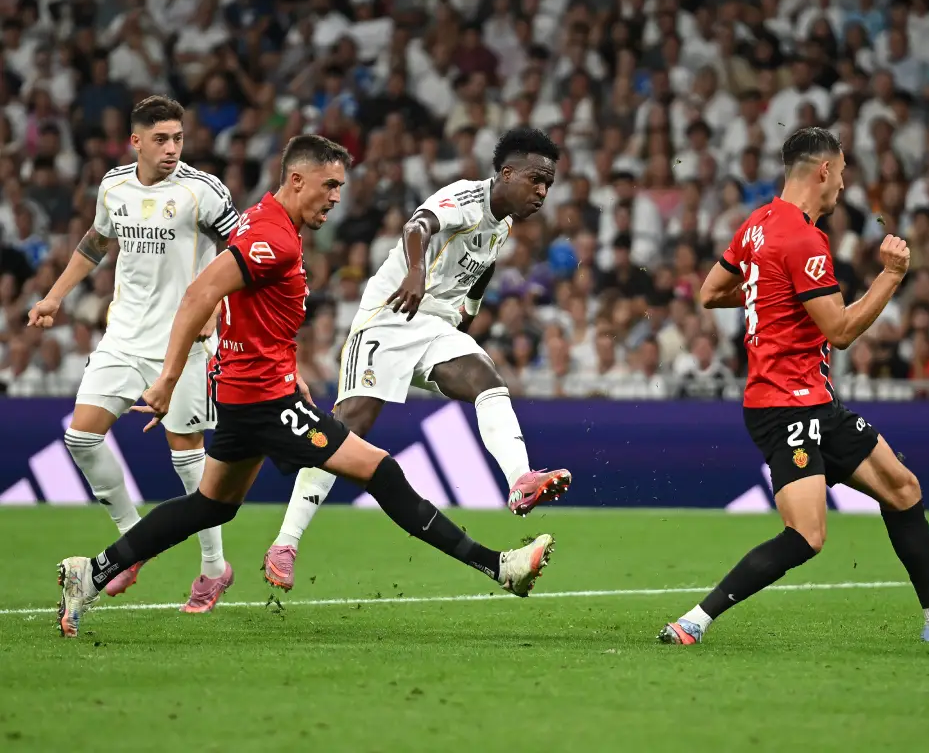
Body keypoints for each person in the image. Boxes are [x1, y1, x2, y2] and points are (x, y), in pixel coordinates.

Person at [55, 135, 555, 639]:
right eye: (329, 185)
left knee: (211, 505)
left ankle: (90, 572)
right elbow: (199, 293)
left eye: (341, 186)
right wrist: (167, 378)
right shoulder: (272, 238)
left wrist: (286, 369)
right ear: (297, 179)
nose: (336, 197)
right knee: (381, 470)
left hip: (248, 389)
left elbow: (251, 313)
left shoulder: (264, 223)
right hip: (263, 399)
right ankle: (499, 567)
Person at [658, 127, 929, 646]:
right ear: (823, 170)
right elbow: (839, 331)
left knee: (903, 488)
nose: (842, 184)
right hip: (783, 406)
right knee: (808, 536)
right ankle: (694, 622)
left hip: (815, 401)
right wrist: (891, 275)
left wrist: (771, 299)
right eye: (841, 173)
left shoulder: (756, 224)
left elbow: (711, 292)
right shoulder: (803, 237)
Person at [262, 127, 571, 590]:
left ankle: (520, 479)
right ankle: (285, 542)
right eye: (535, 180)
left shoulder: (503, 224)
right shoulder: (466, 199)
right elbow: (417, 226)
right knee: (345, 432)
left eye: (548, 183)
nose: (542, 191)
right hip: (390, 315)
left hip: (433, 326)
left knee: (488, 379)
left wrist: (469, 310)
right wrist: (414, 273)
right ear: (506, 173)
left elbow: (481, 270)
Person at [29, 95, 240, 613]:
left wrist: (217, 308)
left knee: (189, 460)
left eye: (178, 138)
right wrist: (56, 295)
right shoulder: (114, 186)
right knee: (80, 435)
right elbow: (96, 243)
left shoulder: (202, 191)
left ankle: (214, 567)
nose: (172, 149)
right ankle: (130, 543)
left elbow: (246, 254)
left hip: (183, 341)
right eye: (162, 139)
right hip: (123, 335)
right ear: (137, 141)